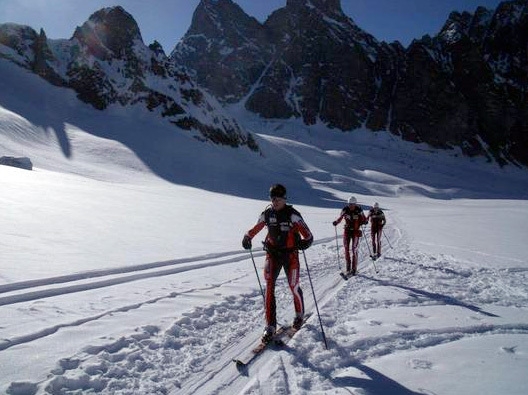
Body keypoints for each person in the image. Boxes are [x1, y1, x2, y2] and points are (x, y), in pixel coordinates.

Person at [242, 184, 313, 344]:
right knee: (268, 288)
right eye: (272, 198)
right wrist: (247, 237)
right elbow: (255, 228)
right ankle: (270, 326)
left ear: (284, 198)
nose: (275, 202)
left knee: (293, 286)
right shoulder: (267, 214)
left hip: (290, 256)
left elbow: (308, 234)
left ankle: (299, 314)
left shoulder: (293, 214)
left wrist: (305, 242)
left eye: (278, 199)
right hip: (272, 254)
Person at [332, 196, 367, 276]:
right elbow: (340, 217)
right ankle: (348, 268)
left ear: (355, 204)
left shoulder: (359, 210)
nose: (351, 206)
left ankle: (354, 269)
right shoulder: (345, 209)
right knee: (346, 249)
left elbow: (364, 218)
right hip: (347, 231)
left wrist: (364, 221)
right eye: (349, 204)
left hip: (355, 232)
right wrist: (336, 222)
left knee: (354, 249)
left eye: (352, 204)